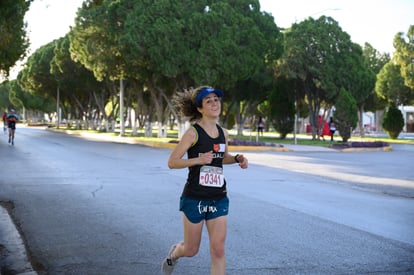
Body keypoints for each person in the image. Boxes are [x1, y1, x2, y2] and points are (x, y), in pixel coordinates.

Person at [161, 86, 248, 275]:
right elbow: (172, 162)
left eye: (216, 99)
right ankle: (174, 254)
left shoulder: (223, 133)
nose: (214, 103)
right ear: (200, 108)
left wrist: (236, 158)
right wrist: (198, 160)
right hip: (195, 198)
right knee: (191, 250)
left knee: (218, 249)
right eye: (208, 100)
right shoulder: (193, 133)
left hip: (218, 197)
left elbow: (221, 158)